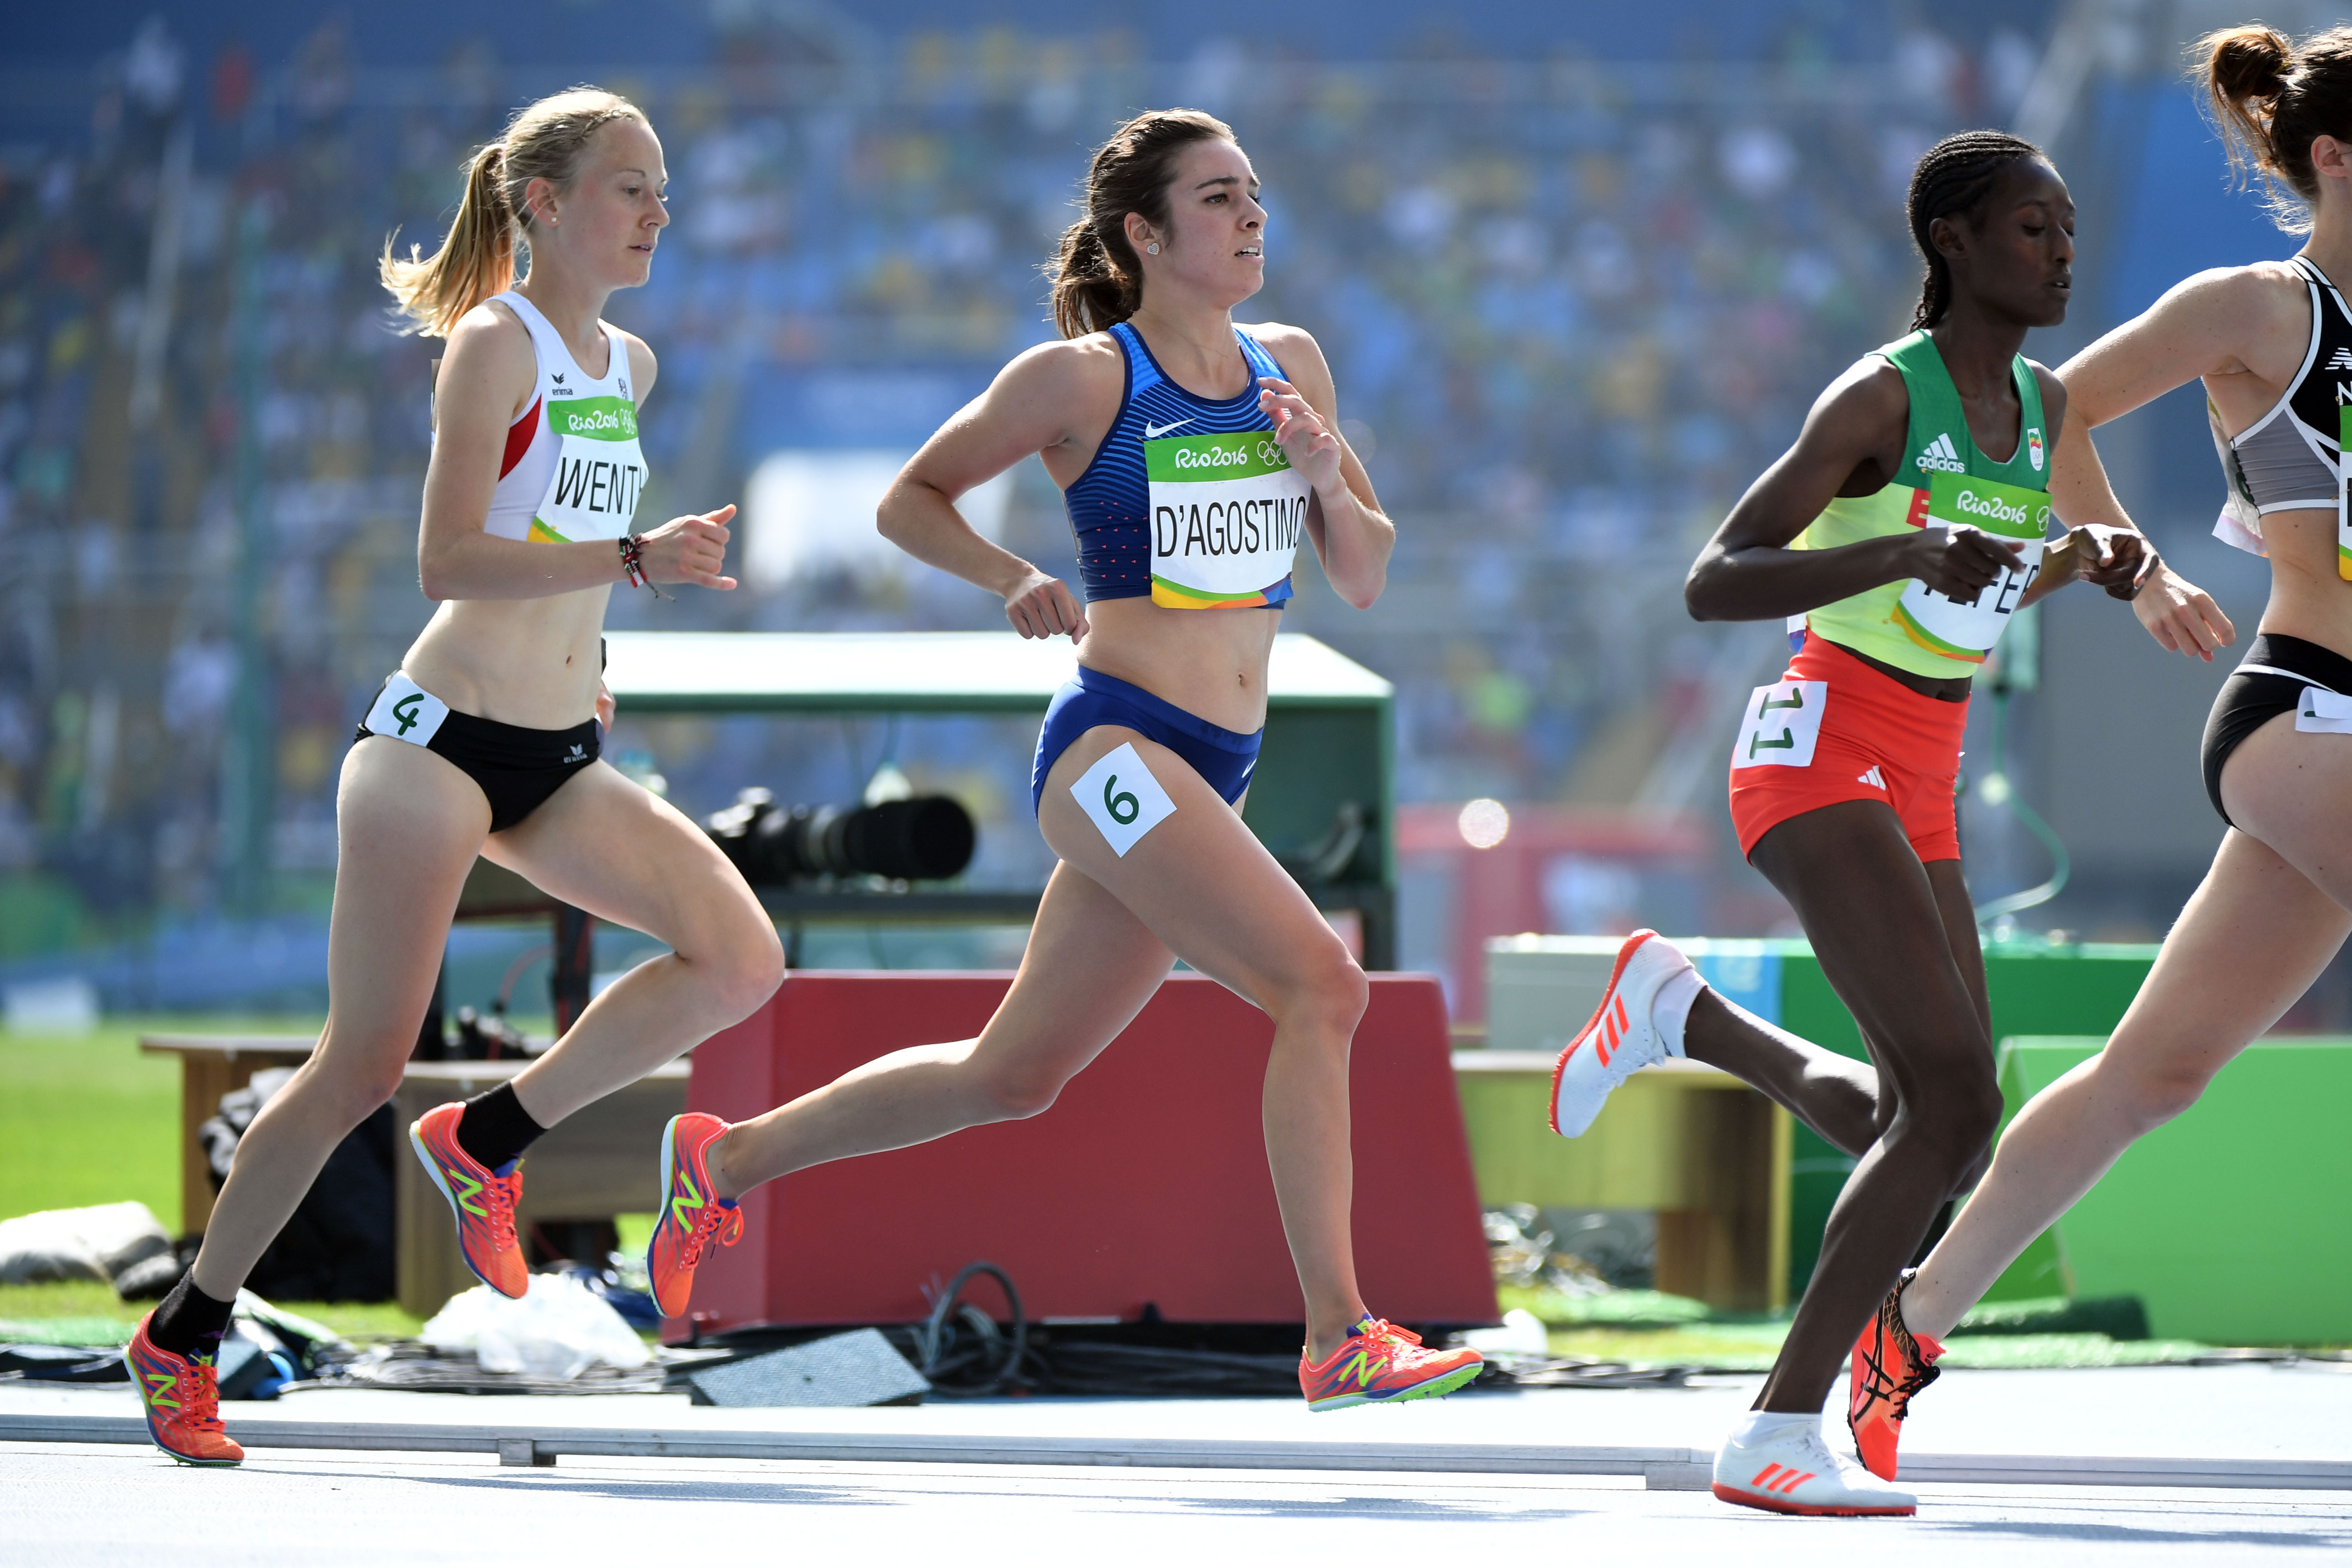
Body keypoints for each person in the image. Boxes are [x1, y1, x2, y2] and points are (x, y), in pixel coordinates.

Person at [637, 108, 1482, 1411]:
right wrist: (1013, 575)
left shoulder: (1291, 364)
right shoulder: (1086, 379)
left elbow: (1361, 577)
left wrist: (1320, 470)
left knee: (1010, 1075)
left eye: (1256, 192)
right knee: (1323, 984)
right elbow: (907, 497)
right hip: (1115, 752)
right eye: (1218, 197)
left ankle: (725, 1163)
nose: (1254, 214)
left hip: (1217, 760)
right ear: (1143, 232)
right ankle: (1339, 1332)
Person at [1544, 130, 2217, 1516]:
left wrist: (2074, 562)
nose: (2063, 250)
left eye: (2071, 227)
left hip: (1923, 759)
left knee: (1944, 1130)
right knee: (1960, 1096)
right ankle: (1779, 1429)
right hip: (1816, 746)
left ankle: (1686, 1013)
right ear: (1954, 243)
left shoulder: (2040, 410)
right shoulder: (1880, 397)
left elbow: (1961, 602)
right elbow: (1717, 577)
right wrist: (1900, 543)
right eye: (2034, 229)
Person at [125, 89, 784, 1466]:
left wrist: (595, 644)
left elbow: (564, 540)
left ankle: (488, 1133)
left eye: (664, 187)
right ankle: (184, 1330)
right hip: (433, 744)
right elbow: (447, 562)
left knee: (738, 954)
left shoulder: (634, 365)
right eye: (627, 186)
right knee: (359, 1057)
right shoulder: (495, 343)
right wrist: (630, 564)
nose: (657, 209)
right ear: (543, 202)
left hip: (556, 751)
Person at [1853, 21, 2352, 1481]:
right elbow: (2047, 410)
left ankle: (1909, 1317)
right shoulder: (2258, 309)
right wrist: (2134, 567)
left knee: (2157, 1072)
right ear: (2334, 156)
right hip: (2302, 708)